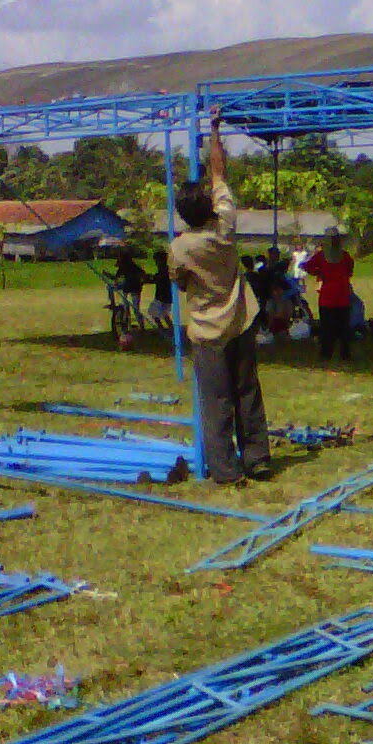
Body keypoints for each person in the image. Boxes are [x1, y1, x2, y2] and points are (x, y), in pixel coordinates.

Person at [168, 109, 271, 485]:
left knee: (216, 403)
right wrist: (214, 130)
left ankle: (226, 471)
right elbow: (219, 173)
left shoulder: (181, 248)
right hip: (240, 320)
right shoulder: (226, 226)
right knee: (247, 393)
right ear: (210, 207)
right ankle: (257, 458)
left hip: (208, 330)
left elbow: (178, 282)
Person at [303, 227, 357, 361]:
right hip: (343, 295)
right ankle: (345, 353)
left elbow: (307, 266)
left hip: (327, 296)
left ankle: (327, 353)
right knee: (343, 326)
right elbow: (350, 271)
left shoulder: (321, 256)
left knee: (327, 326)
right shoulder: (345, 256)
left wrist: (319, 273)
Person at [112, 247, 147, 345]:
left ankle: (139, 325)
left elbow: (117, 277)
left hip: (134, 289)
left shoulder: (129, 266)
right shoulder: (131, 266)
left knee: (133, 308)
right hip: (129, 289)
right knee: (127, 308)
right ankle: (133, 325)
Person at [147, 250, 175, 336]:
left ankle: (162, 330)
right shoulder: (165, 268)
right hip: (166, 295)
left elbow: (160, 279)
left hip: (162, 296)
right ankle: (172, 330)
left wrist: (152, 278)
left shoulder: (164, 269)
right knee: (165, 314)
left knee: (153, 313)